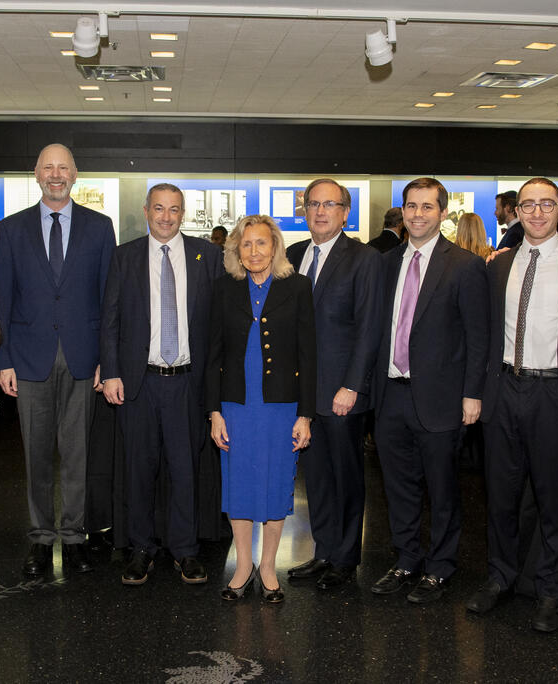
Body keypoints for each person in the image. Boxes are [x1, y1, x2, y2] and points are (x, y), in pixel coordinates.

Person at [468, 177, 558, 632]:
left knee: (553, 498)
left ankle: (551, 590)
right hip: (504, 389)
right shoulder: (497, 266)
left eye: (547, 205)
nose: (538, 213)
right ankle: (500, 577)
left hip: (555, 392)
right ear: (517, 212)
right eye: (528, 205)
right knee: (500, 495)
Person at [0, 143, 116, 577]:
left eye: (64, 167)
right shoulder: (10, 230)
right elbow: (1, 300)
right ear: (36, 173)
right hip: (28, 360)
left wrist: (108, 358)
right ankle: (41, 539)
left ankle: (75, 537)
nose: (56, 174)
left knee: (78, 455)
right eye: (49, 167)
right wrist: (3, 359)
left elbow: (109, 300)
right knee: (36, 456)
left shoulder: (100, 228)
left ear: (76, 173)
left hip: (84, 360)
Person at [368, 178, 488, 604]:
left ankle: (440, 567)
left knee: (442, 489)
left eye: (427, 207)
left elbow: (479, 337)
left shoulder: (465, 266)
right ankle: (405, 560)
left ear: (442, 213)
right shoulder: (385, 263)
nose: (417, 214)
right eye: (411, 206)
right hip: (390, 395)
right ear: (402, 212)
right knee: (398, 488)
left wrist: (472, 394)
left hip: (440, 399)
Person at [101, 183, 223, 586]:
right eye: (159, 208)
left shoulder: (207, 257)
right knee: (140, 468)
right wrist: (113, 371)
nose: (166, 217)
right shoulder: (125, 256)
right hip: (140, 382)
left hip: (188, 383)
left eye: (174, 209)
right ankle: (141, 549)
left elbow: (217, 326)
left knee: (186, 469)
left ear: (183, 213)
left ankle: (185, 550)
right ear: (145, 210)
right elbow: (111, 320)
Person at [207, 215, 316, 603]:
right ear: (237, 249)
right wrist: (214, 411)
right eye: (246, 244)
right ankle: (243, 566)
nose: (254, 251)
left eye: (261, 243)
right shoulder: (224, 289)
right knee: (238, 483)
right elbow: (213, 353)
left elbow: (309, 352)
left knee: (273, 483)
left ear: (275, 247)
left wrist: (305, 414)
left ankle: (268, 566)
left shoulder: (299, 287)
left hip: (280, 406)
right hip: (235, 404)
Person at [284, 179, 382, 590]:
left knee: (345, 477)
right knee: (317, 478)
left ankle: (344, 559)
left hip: (341, 392)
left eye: (330, 204)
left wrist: (352, 386)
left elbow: (369, 327)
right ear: (304, 210)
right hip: (301, 394)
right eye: (313, 204)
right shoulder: (291, 255)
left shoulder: (364, 259)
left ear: (346, 211)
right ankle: (322, 551)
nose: (320, 211)